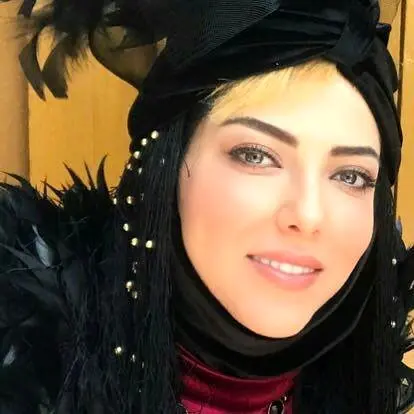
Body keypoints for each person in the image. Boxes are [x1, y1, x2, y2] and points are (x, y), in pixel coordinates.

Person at [0, 0, 413, 413]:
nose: (307, 215)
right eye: (256, 155)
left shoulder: (366, 381)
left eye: (351, 176)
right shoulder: (26, 367)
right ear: (165, 166)